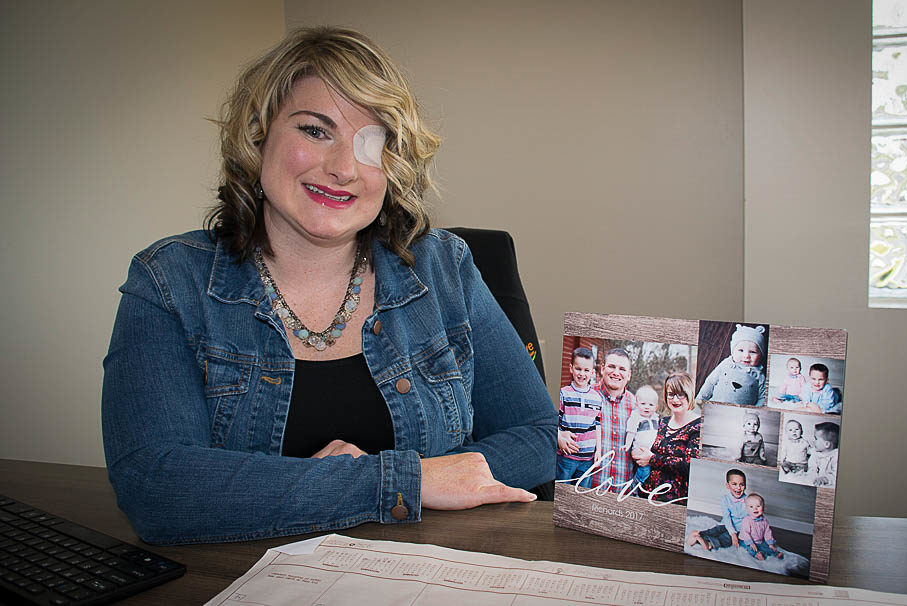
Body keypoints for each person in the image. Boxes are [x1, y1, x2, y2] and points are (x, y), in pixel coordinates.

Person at [101, 27, 555, 545]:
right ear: (258, 135)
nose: (343, 169)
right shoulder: (169, 282)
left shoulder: (443, 266)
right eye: (315, 131)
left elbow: (541, 435)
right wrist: (402, 481)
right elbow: (156, 487)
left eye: (372, 143)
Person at [572, 348, 635, 491]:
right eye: (612, 366)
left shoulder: (637, 406)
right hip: (587, 489)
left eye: (622, 369)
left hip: (622, 492)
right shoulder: (583, 397)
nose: (616, 372)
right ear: (602, 369)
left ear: (629, 375)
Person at [636, 372, 702, 503]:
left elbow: (690, 466)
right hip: (649, 495)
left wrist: (652, 459)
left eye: (681, 394)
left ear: (690, 394)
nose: (675, 400)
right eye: (671, 394)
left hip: (676, 501)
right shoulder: (661, 422)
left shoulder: (698, 427)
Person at [556, 348, 603, 482]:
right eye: (578, 369)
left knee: (580, 493)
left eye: (586, 370)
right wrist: (559, 438)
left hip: (587, 460)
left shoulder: (596, 398)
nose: (582, 374)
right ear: (571, 368)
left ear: (592, 372)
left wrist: (598, 450)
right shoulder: (564, 394)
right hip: (566, 458)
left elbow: (597, 425)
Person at [697, 324, 767, 406]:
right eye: (741, 350)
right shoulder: (726, 364)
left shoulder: (758, 374)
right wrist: (700, 399)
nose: (746, 356)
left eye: (752, 352)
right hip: (714, 406)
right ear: (733, 351)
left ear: (761, 354)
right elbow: (711, 381)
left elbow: (762, 397)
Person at [687, 468, 747, 551]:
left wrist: (733, 534)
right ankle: (698, 535)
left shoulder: (748, 501)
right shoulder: (725, 499)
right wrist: (731, 532)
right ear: (728, 485)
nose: (738, 487)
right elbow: (727, 517)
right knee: (715, 530)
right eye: (734, 484)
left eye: (742, 484)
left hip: (738, 529)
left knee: (726, 537)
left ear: (745, 486)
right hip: (725, 524)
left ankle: (709, 544)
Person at [623, 385, 659, 486]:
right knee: (644, 470)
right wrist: (627, 445)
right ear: (637, 404)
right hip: (639, 449)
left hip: (651, 452)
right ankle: (636, 484)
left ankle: (643, 485)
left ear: (656, 407)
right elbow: (631, 432)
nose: (647, 407)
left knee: (649, 470)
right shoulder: (636, 417)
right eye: (643, 404)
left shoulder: (656, 418)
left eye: (651, 405)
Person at [738, 493, 784, 561]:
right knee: (750, 548)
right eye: (751, 507)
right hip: (745, 540)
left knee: (766, 546)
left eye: (758, 506)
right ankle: (757, 554)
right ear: (747, 509)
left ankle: (775, 554)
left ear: (763, 507)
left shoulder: (764, 520)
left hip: (759, 541)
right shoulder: (747, 520)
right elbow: (745, 533)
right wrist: (751, 543)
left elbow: (767, 532)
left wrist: (770, 544)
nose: (755, 509)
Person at [808, 422, 840, 487]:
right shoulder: (815, 453)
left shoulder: (836, 457)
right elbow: (812, 468)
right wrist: (813, 476)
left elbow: (836, 476)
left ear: (827, 444)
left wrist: (825, 479)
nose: (813, 441)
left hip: (828, 484)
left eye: (816, 439)